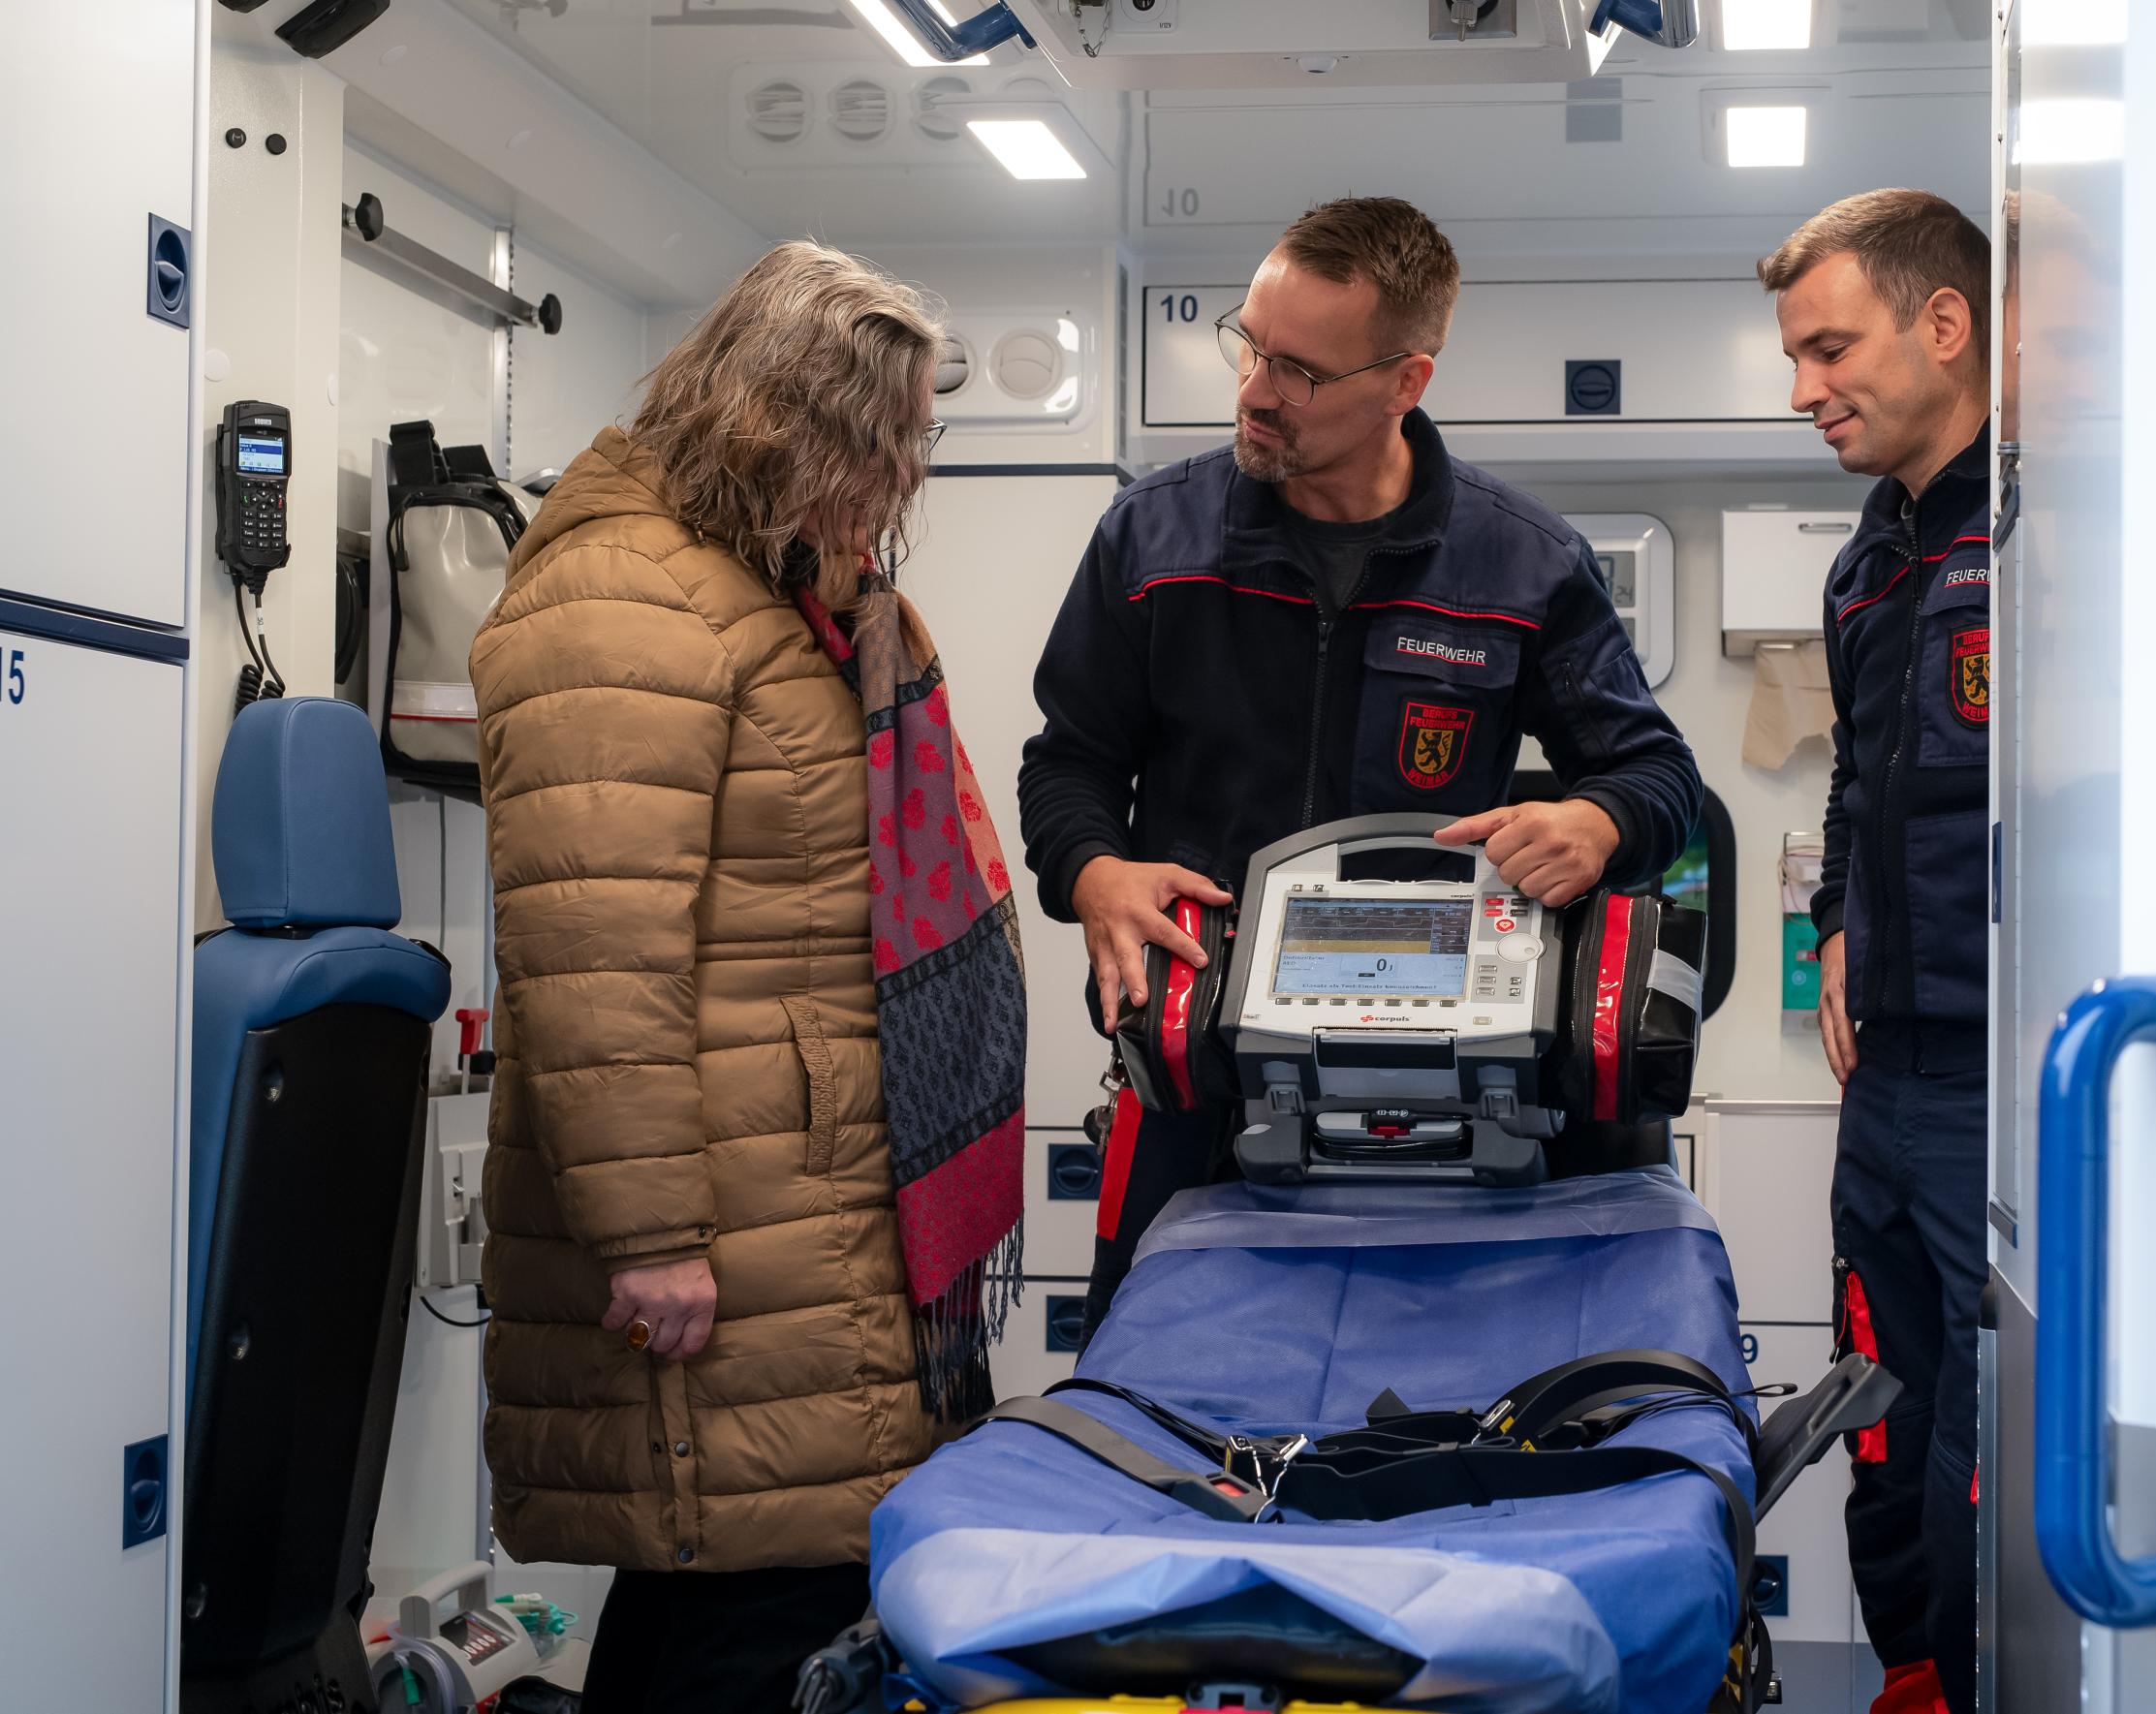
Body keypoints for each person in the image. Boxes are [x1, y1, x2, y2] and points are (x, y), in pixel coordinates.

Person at [470, 241, 1028, 1713]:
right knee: (752, 1592)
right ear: (790, 424)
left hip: (809, 1190)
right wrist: (652, 1233)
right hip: (726, 1210)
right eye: (887, 441)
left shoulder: (772, 593)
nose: (904, 476)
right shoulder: (621, 600)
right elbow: (594, 955)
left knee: (767, 1589)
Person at [1019, 196, 1704, 1341]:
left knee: (1437, 1401)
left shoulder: (1521, 565)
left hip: (1449, 1102)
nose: (1254, 390)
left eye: (1298, 370)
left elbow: (1657, 773)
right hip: (1201, 1087)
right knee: (1151, 1389)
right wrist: (1094, 872)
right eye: (1249, 345)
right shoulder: (1152, 541)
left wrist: (1594, 822)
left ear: (1404, 381)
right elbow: (1066, 765)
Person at [1759, 190, 1993, 1714]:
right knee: (1885, 1413)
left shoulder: (2046, 525)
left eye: (1831, 348)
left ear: (1943, 323)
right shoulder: (1867, 564)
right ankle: (1908, 1673)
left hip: (1996, 1080)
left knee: (1981, 1431)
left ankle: (1975, 1680)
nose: (1805, 388)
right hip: (1886, 1084)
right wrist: (1836, 918)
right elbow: (1857, 778)